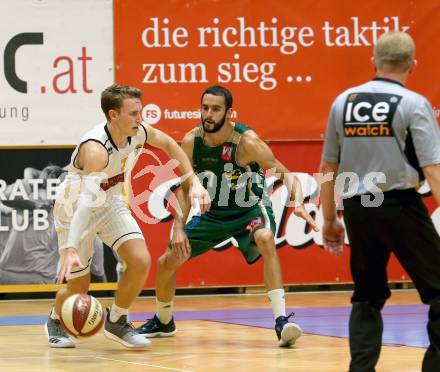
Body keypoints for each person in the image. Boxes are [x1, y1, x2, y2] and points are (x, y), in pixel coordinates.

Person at [136, 85, 319, 347]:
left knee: (266, 238)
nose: (208, 114)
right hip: (214, 215)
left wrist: (298, 202)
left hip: (249, 210)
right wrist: (178, 227)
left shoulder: (247, 142)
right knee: (166, 262)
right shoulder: (192, 141)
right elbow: (186, 189)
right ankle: (164, 321)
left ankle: (281, 322)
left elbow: (285, 173)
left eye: (216, 109)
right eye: (205, 108)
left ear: (229, 113)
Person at [45, 84, 210, 349]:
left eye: (140, 112)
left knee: (140, 260)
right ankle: (55, 319)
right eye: (133, 113)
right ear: (113, 115)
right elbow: (87, 206)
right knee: (80, 285)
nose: (140, 118)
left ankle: (117, 320)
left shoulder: (138, 133)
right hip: (75, 207)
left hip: (109, 202)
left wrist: (192, 179)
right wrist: (71, 246)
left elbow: (169, 143)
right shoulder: (96, 149)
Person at [319, 31, 440, 371]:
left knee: (367, 294)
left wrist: (330, 217)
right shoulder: (414, 104)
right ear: (413, 65)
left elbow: (327, 167)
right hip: (400, 205)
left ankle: (361, 368)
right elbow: (432, 170)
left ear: (373, 62)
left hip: (360, 207)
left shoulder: (343, 102)